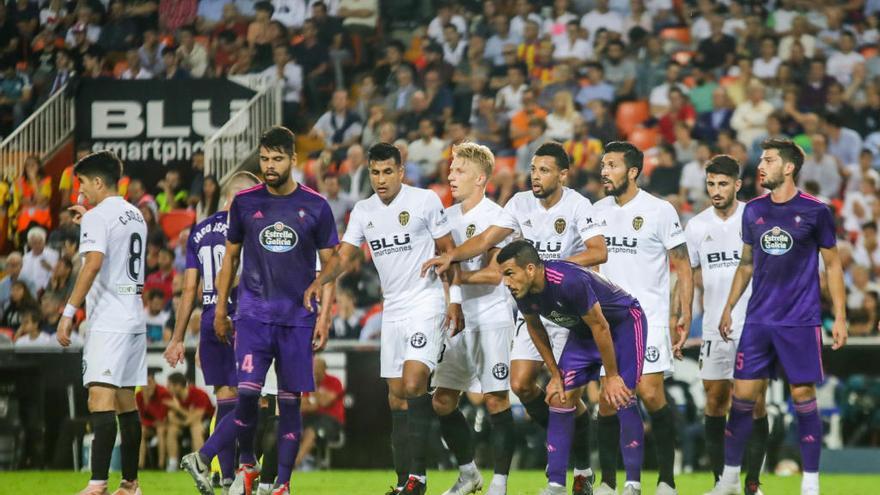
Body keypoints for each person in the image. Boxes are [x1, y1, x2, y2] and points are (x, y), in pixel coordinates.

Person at [421, 141, 608, 495]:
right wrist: (454, 257)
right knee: (522, 385)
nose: (535, 176)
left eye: (544, 170)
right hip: (534, 310)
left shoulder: (579, 206)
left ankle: (577, 472)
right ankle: (566, 443)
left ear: (563, 175)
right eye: (534, 169)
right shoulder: (518, 205)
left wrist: (550, 269)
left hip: (570, 312)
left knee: (563, 394)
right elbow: (488, 240)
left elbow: (599, 251)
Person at [181, 126, 338, 495]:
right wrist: (221, 308)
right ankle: (247, 465)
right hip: (252, 315)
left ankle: (282, 483)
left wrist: (325, 316)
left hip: (297, 320)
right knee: (247, 394)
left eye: (277, 159)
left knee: (288, 402)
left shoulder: (316, 205)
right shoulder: (245, 203)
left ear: (293, 160)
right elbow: (230, 259)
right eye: (265, 158)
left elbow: (331, 266)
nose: (270, 166)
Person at [303, 142, 463, 495]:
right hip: (393, 308)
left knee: (413, 383)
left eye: (387, 171)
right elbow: (344, 256)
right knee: (395, 396)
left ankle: (417, 480)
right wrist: (319, 281)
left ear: (401, 172)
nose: (380, 179)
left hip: (426, 301)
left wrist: (456, 302)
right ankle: (404, 479)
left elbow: (450, 253)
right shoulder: (363, 210)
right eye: (374, 172)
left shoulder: (424, 201)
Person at [708, 138, 848, 495]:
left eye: (768, 160)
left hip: (800, 321)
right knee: (741, 398)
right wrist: (728, 306)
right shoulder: (753, 211)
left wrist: (841, 317)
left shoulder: (816, 211)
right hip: (758, 320)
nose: (760, 166)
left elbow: (832, 266)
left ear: (788, 168)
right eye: (761, 160)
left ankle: (810, 482)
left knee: (802, 395)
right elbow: (746, 264)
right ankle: (728, 480)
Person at [496, 240, 644, 495]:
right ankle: (556, 485)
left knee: (620, 397)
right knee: (558, 396)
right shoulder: (522, 291)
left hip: (623, 325)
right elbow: (535, 328)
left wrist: (611, 376)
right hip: (585, 332)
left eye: (509, 273)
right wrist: (554, 374)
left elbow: (602, 326)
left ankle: (632, 485)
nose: (506, 282)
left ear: (530, 269)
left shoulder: (568, 281)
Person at [593, 141, 694, 495]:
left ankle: (666, 478)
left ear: (632, 171)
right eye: (603, 165)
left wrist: (683, 312)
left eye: (612, 165)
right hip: (607, 322)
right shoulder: (596, 210)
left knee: (650, 394)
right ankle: (608, 481)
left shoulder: (659, 210)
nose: (604, 172)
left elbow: (682, 264)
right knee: (608, 400)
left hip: (646, 318)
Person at [56, 150, 148, 495]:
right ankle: (130, 484)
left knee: (99, 399)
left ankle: (97, 484)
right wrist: (89, 221)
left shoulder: (98, 217)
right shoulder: (135, 214)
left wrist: (68, 312)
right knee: (126, 402)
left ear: (98, 182)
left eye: (82, 183)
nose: (81, 192)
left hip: (108, 320)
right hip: (133, 316)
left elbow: (92, 264)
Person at [428, 142, 516, 495]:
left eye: (459, 170)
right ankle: (469, 474)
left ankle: (500, 482)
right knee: (442, 400)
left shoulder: (499, 217)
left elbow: (495, 274)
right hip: (457, 321)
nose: (451, 175)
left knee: (496, 399)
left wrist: (450, 273)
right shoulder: (445, 219)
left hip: (492, 317)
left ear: (481, 178)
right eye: (450, 170)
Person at [164, 170, 261, 490]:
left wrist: (178, 338)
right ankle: (212, 459)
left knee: (226, 399)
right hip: (236, 317)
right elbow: (230, 274)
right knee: (251, 399)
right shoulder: (246, 227)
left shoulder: (200, 229)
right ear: (236, 197)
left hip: (207, 320)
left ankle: (230, 476)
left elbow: (188, 289)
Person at [683, 155, 769, 493]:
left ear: (737, 184)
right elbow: (686, 275)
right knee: (715, 399)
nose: (716, 191)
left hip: (752, 323)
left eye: (722, 184)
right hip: (712, 327)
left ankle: (751, 483)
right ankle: (721, 482)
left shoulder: (755, 217)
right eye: (711, 184)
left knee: (754, 401)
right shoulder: (697, 226)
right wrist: (683, 316)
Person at [296, 357, 345, 468]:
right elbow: (302, 406)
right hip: (310, 418)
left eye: (317, 369)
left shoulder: (334, 381)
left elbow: (325, 402)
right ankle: (304, 461)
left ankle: (296, 463)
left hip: (330, 420)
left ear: (324, 369)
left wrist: (314, 391)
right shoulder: (306, 382)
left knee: (312, 432)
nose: (315, 372)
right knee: (292, 427)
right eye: (313, 369)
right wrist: (315, 404)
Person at [164, 373, 215, 472]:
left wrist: (178, 409)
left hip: (205, 422)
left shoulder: (198, 394)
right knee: (172, 429)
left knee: (196, 428)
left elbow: (196, 419)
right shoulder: (174, 397)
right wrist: (182, 422)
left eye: (169, 385)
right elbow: (171, 418)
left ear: (178, 386)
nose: (167, 388)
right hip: (185, 423)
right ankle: (172, 463)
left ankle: (200, 465)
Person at [136, 369, 171, 469]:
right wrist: (146, 399)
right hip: (149, 425)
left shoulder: (162, 392)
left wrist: (148, 401)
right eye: (144, 383)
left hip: (163, 425)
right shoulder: (139, 396)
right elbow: (139, 416)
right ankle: (140, 465)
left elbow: (161, 417)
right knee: (141, 431)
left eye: (150, 382)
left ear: (154, 382)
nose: (147, 386)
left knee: (160, 430)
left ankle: (161, 465)